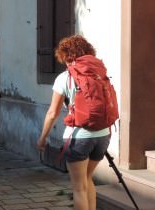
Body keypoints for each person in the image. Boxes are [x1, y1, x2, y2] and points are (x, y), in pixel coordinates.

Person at [37, 35, 111, 210]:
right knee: (87, 179)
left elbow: (52, 113)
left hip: (79, 137)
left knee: (78, 188)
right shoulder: (100, 74)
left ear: (66, 56)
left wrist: (42, 138)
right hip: (103, 135)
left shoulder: (64, 78)